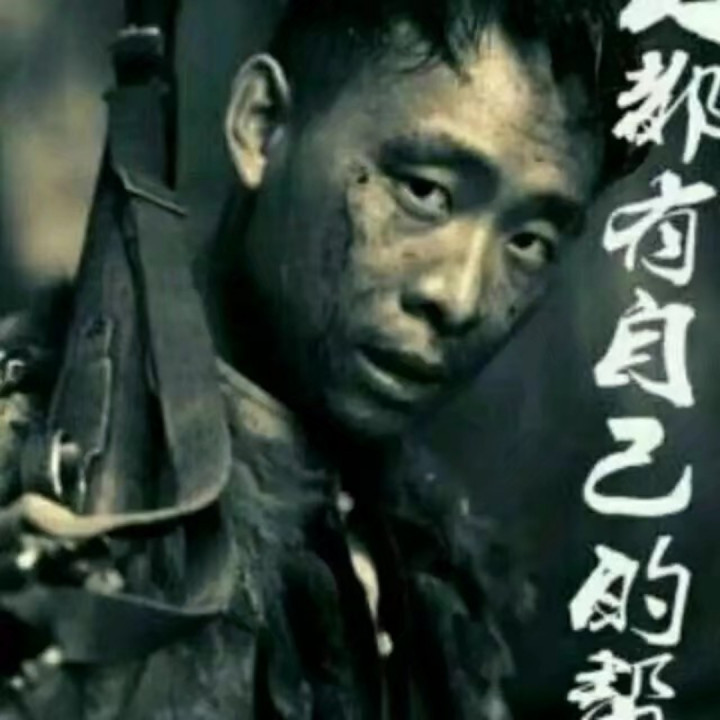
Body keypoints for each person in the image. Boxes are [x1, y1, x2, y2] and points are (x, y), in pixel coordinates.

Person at [0, 0, 641, 718]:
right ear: (262, 124)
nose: (460, 297)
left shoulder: (429, 587)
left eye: (529, 242)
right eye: (424, 191)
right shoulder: (26, 455)